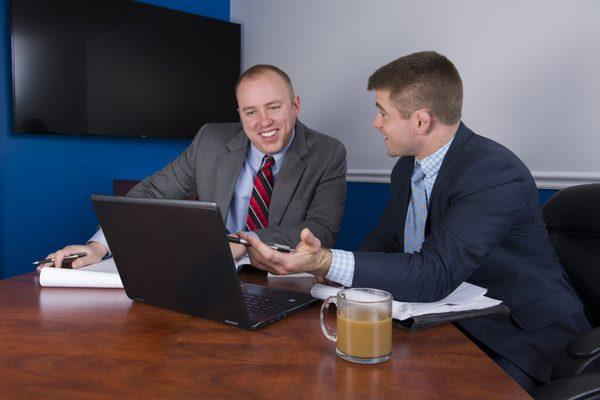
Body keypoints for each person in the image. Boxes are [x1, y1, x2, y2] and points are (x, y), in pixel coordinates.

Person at [241, 52, 591, 392]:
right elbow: (383, 241)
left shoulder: (493, 174)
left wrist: (327, 260)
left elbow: (433, 273)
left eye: (383, 112)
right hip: (448, 321)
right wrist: (325, 270)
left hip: (521, 336)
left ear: (421, 121)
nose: (376, 123)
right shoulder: (408, 166)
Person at [46, 64, 346, 269]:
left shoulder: (328, 153)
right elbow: (151, 192)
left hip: (285, 277)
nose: (263, 122)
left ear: (295, 105)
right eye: (250, 111)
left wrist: (243, 244)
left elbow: (321, 229)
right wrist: (100, 246)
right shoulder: (210, 141)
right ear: (240, 114)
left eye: (274, 107)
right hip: (211, 274)